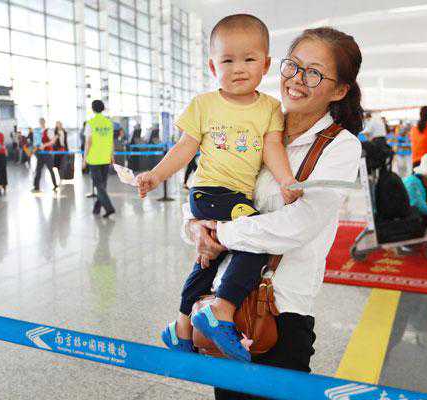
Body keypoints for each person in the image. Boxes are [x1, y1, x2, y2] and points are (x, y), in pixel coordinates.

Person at [177, 26, 363, 398]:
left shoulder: (340, 146)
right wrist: (195, 226)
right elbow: (205, 182)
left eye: (314, 73)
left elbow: (298, 225)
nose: (297, 80)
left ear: (339, 90)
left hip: (280, 313)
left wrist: (221, 234)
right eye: (293, 65)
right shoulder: (256, 117)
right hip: (223, 305)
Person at [137, 14, 301, 362]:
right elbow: (184, 148)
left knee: (208, 258)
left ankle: (181, 328)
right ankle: (221, 311)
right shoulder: (204, 104)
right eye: (227, 61)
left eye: (249, 59)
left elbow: (272, 147)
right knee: (256, 238)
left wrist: (286, 180)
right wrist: (155, 175)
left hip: (237, 197)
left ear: (266, 64)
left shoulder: (270, 108)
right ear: (213, 67)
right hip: (209, 192)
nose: (238, 68)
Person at [82, 100, 116, 218]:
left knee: (99, 185)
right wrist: (112, 156)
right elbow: (111, 141)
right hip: (105, 158)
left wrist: (84, 159)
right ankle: (97, 208)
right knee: (102, 185)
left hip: (94, 159)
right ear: (103, 108)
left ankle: (109, 208)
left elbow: (88, 142)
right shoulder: (109, 123)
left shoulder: (90, 123)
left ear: (92, 109)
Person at [32, 118, 59, 193]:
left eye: (42, 122)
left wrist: (44, 145)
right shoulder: (38, 132)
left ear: (44, 122)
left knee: (50, 170)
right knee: (38, 170)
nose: (41, 123)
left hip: (47, 154)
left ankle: (55, 184)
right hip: (40, 154)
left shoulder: (48, 131)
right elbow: (36, 142)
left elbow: (53, 141)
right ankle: (36, 187)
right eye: (40, 122)